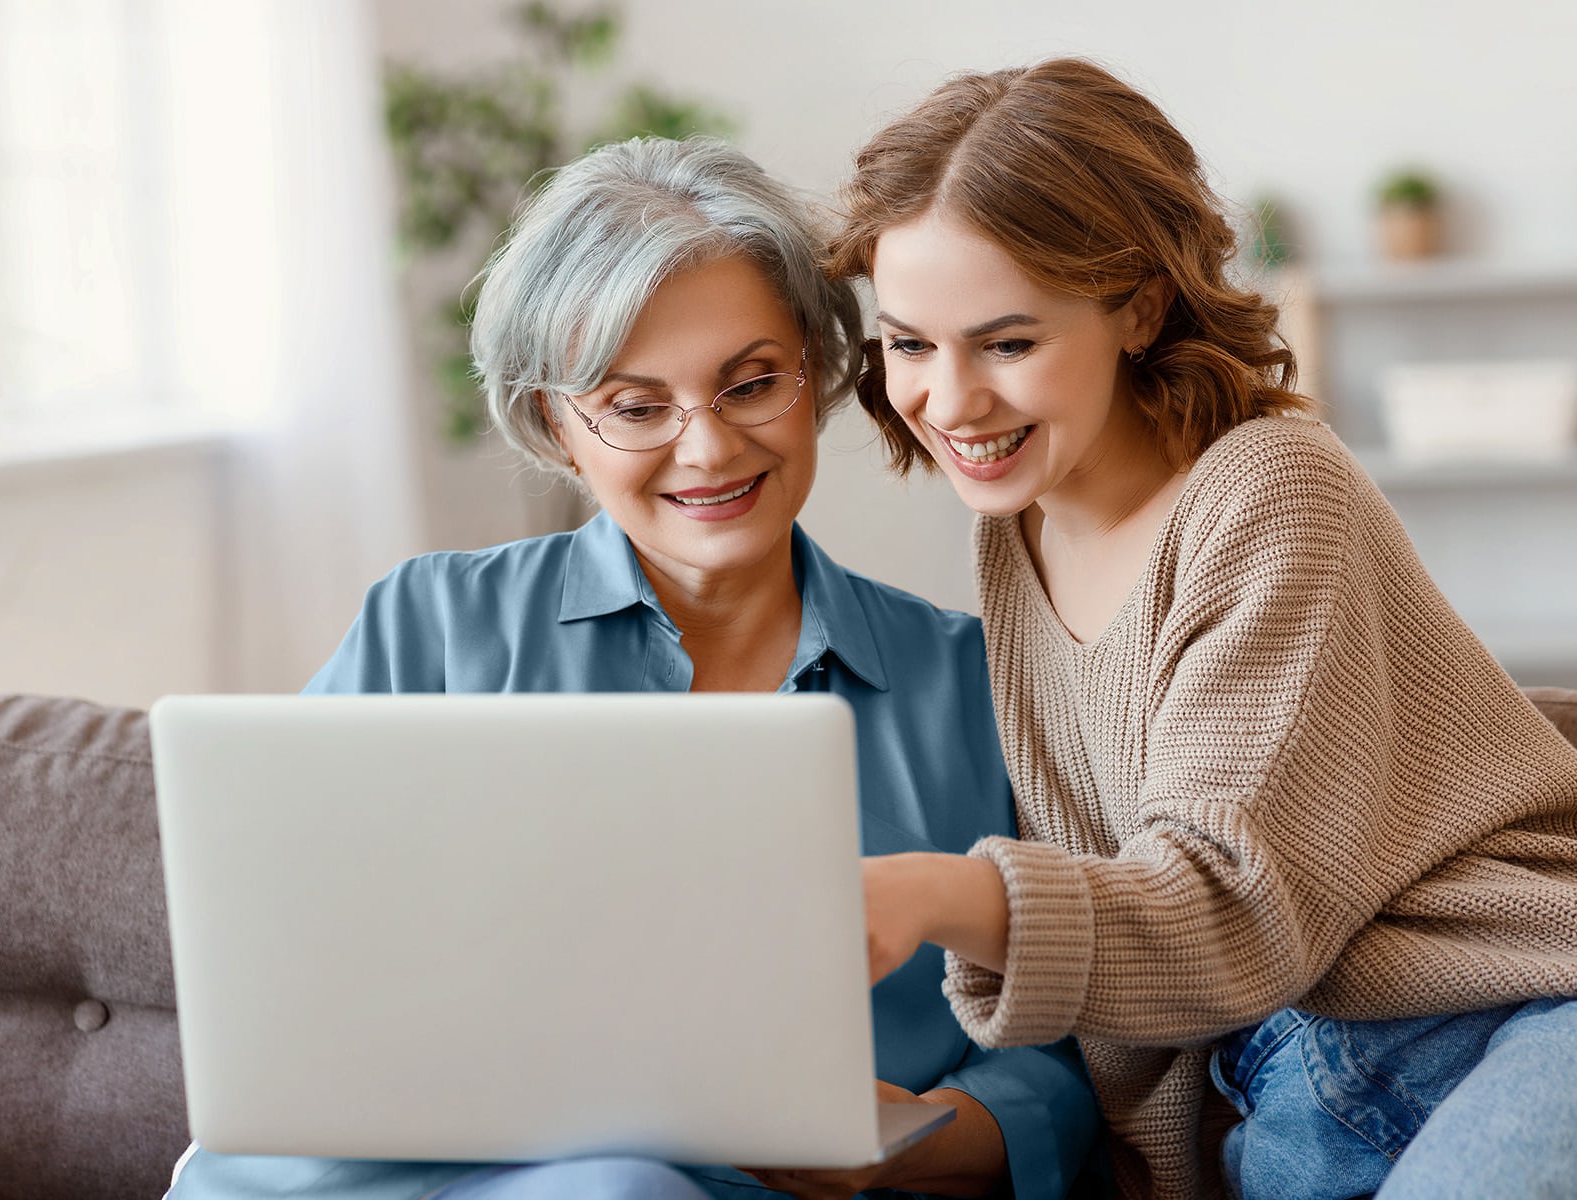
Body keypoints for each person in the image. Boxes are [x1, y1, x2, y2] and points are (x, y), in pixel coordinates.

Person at [165, 136, 1104, 1200]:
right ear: (560, 426)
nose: (706, 451)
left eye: (751, 383)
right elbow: (281, 964)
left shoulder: (973, 684)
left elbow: (1064, 1063)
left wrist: (916, 1140)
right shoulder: (430, 626)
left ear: (817, 375)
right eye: (635, 406)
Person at [828, 57, 1577, 1200]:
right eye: (909, 345)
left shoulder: (1270, 490)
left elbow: (1230, 902)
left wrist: (934, 896)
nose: (949, 401)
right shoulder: (1013, 541)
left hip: (1539, 1011)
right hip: (1296, 1089)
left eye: (1008, 342)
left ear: (1137, 304)